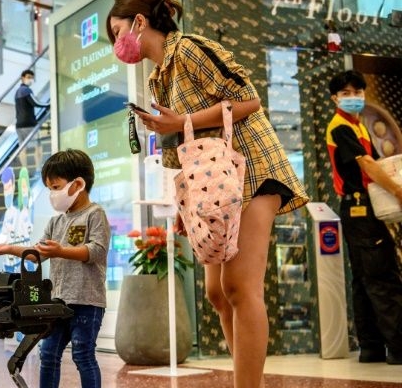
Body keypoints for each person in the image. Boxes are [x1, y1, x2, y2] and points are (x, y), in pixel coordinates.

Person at [106, 1, 309, 387]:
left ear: (139, 22)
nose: (118, 45)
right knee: (217, 292)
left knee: (238, 286)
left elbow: (248, 100)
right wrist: (187, 208)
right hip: (212, 187)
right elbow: (178, 148)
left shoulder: (190, 48)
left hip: (252, 167)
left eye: (117, 33)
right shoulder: (157, 79)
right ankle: (248, 379)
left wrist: (181, 120)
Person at [0, 149, 111, 388]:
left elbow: (97, 251)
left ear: (78, 184)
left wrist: (60, 251)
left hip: (87, 301)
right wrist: (7, 249)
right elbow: (37, 254)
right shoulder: (56, 221)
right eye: (49, 188)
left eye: (56, 187)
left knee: (83, 355)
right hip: (58, 302)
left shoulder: (96, 214)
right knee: (48, 353)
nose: (52, 194)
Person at [325, 70, 402, 365]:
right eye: (346, 93)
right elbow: (367, 164)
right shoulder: (340, 126)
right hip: (359, 208)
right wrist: (397, 189)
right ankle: (398, 346)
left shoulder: (357, 126)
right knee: (382, 275)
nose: (354, 98)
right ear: (335, 98)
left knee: (365, 278)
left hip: (358, 209)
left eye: (358, 92)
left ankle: (371, 347)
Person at [14, 69, 50, 140]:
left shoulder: (17, 92)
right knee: (33, 146)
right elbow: (35, 103)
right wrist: (49, 104)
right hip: (28, 124)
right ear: (22, 78)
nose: (31, 79)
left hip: (19, 124)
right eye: (28, 77)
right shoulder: (26, 90)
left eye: (32, 78)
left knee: (23, 148)